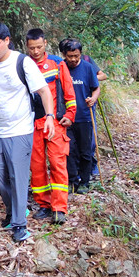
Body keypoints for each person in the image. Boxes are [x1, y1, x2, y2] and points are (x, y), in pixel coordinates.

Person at [0, 23, 54, 242]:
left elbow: (44, 91)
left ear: (7, 40)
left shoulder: (23, 62)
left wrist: (50, 116)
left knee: (17, 176)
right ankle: (14, 209)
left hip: (21, 129)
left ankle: (19, 224)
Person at [25, 29, 76, 224]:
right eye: (32, 48)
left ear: (45, 43)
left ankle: (59, 208)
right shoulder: (24, 65)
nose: (36, 51)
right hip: (32, 123)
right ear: (27, 46)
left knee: (57, 163)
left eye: (39, 47)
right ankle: (44, 204)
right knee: (36, 166)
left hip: (55, 122)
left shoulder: (57, 63)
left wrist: (70, 115)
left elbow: (68, 90)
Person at [60, 38, 101, 194]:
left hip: (84, 116)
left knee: (85, 151)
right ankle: (71, 180)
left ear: (80, 54)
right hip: (66, 118)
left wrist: (93, 98)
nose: (73, 59)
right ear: (64, 55)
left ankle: (84, 181)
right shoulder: (61, 67)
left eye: (76, 56)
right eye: (70, 56)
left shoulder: (88, 67)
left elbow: (96, 87)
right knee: (69, 151)